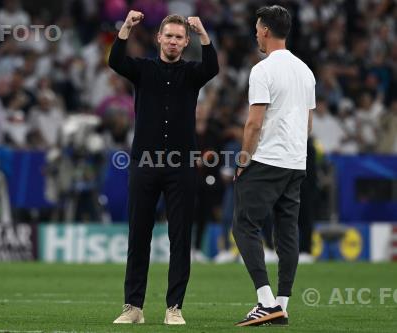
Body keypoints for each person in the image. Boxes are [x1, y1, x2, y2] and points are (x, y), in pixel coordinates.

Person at [109, 11, 218, 325]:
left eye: (179, 37)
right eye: (168, 35)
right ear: (158, 38)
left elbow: (213, 66)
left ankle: (174, 307)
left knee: (180, 237)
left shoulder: (192, 73)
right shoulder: (143, 69)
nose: (172, 41)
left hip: (181, 166)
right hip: (145, 163)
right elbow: (116, 61)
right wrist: (127, 27)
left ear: (185, 43)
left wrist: (203, 33)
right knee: (138, 235)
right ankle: (133, 307)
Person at [232, 5, 315, 327]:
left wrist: (243, 159)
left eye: (257, 28)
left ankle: (265, 301)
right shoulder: (305, 71)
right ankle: (282, 305)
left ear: (265, 30)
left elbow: (253, 124)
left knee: (244, 225)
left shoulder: (263, 70)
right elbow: (307, 123)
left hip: (267, 160)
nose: (255, 33)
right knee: (287, 233)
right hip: (297, 162)